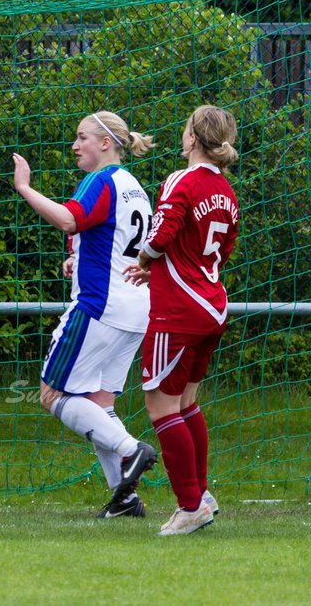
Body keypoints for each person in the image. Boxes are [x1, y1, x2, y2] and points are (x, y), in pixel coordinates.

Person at [11, 111, 159, 518]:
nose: (75, 145)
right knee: (99, 404)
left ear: (107, 143)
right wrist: (80, 259)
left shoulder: (101, 180)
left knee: (53, 394)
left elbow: (69, 219)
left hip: (100, 306)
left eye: (83, 138)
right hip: (135, 309)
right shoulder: (135, 187)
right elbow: (116, 243)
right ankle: (125, 498)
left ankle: (132, 450)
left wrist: (24, 188)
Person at [123, 105, 239, 536]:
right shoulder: (226, 190)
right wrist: (161, 265)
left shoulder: (180, 180)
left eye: (185, 126)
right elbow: (223, 248)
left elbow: (162, 234)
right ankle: (201, 495)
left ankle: (190, 506)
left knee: (160, 405)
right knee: (186, 403)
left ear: (192, 138)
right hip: (212, 304)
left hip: (177, 310)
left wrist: (146, 259)